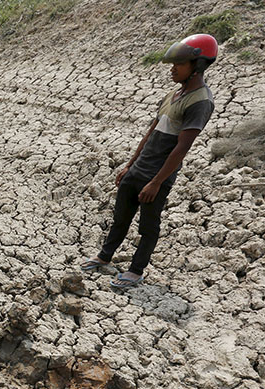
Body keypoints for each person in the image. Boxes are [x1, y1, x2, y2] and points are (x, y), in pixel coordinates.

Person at [81, 34, 218, 288]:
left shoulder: (201, 101)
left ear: (197, 66)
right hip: (139, 168)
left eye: (179, 64)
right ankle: (104, 256)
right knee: (120, 217)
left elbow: (182, 148)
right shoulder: (173, 94)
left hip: (158, 174)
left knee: (148, 225)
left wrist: (156, 182)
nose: (173, 69)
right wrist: (129, 165)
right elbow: (150, 133)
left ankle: (136, 271)